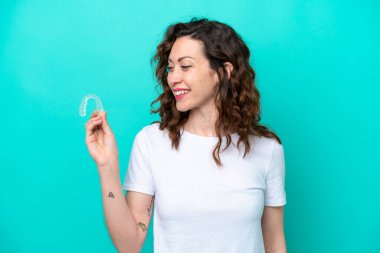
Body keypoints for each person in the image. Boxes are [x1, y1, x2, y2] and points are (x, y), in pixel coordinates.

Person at [85, 17, 287, 253]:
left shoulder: (267, 148)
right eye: (171, 67)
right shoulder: (151, 142)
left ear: (223, 71)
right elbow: (128, 244)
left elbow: (274, 242)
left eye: (185, 66)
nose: (173, 77)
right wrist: (107, 166)